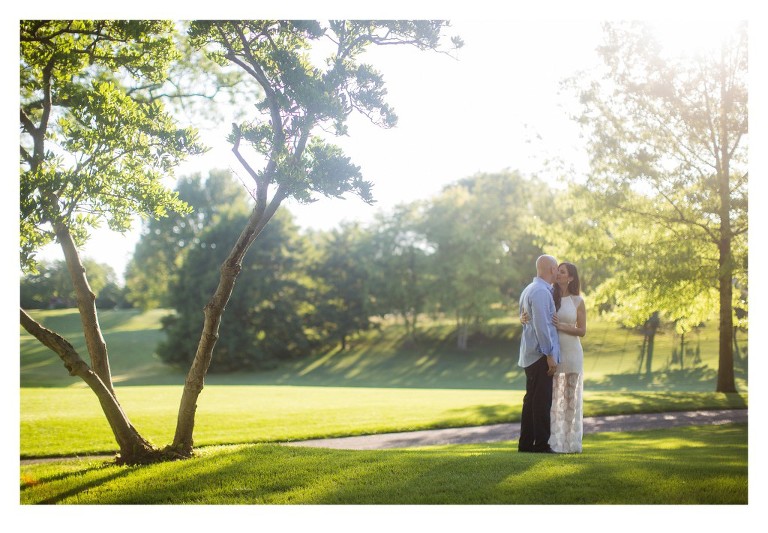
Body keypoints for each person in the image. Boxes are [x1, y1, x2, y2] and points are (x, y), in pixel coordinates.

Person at [522, 261, 587, 453]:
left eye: (563, 272)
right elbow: (535, 314)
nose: (558, 274)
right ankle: (553, 443)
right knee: (551, 401)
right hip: (553, 353)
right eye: (557, 271)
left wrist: (562, 326)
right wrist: (522, 318)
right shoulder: (548, 294)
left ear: (571, 277)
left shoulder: (578, 301)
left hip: (572, 353)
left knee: (569, 401)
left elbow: (582, 330)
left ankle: (569, 444)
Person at [517, 254, 560, 453]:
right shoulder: (541, 292)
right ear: (551, 269)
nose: (558, 271)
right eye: (556, 268)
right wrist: (549, 354)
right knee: (541, 401)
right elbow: (542, 326)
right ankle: (541, 444)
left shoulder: (529, 289)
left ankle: (526, 444)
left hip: (529, 354)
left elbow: (525, 318)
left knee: (532, 400)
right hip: (539, 354)